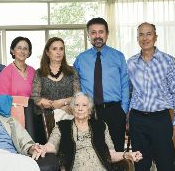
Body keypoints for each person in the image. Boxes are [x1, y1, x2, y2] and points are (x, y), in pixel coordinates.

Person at [38, 92, 142, 171]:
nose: (80, 108)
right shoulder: (62, 126)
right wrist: (43, 148)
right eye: (77, 105)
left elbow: (110, 154)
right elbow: (51, 145)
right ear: (72, 109)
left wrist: (127, 155)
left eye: (84, 105)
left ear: (90, 110)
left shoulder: (101, 126)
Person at [127, 22, 175, 171]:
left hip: (161, 120)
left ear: (155, 37)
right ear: (137, 38)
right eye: (141, 34)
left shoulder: (168, 61)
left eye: (148, 34)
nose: (145, 38)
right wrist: (128, 118)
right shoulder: (131, 63)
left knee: (166, 163)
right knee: (141, 164)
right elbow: (129, 93)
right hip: (137, 120)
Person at [73, 17, 129, 152]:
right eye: (93, 32)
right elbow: (75, 84)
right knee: (91, 152)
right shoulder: (81, 59)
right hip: (89, 112)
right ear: (88, 36)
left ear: (107, 34)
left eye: (101, 32)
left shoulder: (118, 56)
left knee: (116, 152)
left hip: (114, 111)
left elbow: (125, 84)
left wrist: (123, 110)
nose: (97, 36)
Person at [31, 37, 80, 144]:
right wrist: (55, 105)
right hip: (45, 120)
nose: (58, 52)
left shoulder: (72, 72)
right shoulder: (39, 73)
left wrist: (63, 103)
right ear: (47, 52)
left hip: (69, 117)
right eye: (54, 49)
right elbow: (36, 98)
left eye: (61, 49)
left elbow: (78, 96)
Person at [0, 36, 35, 126]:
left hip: (31, 113)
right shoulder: (6, 72)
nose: (22, 51)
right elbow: (3, 100)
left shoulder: (33, 71)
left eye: (25, 49)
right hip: (13, 115)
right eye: (19, 48)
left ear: (29, 52)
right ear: (12, 51)